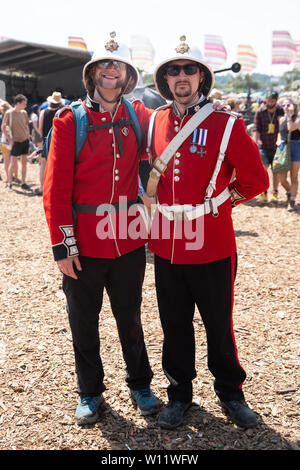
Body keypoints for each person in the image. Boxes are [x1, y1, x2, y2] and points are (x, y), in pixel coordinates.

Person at [145, 36, 269, 430]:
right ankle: (179, 394)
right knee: (173, 325)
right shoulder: (156, 121)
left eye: (189, 69)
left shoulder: (225, 121)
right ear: (165, 80)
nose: (181, 76)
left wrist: (218, 204)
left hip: (213, 244)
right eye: (173, 70)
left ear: (202, 76)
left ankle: (231, 394)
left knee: (219, 325)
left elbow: (257, 179)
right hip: (166, 245)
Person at [43, 33, 159, 426]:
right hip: (85, 241)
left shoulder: (140, 114)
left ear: (127, 75)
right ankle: (90, 392)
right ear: (92, 73)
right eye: (104, 64)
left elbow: (170, 128)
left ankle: (140, 384)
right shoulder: (68, 120)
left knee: (130, 316)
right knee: (83, 319)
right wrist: (64, 246)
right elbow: (55, 190)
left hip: (128, 237)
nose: (111, 69)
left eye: (119, 64)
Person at [254, 91, 284, 202]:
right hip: (264, 144)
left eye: (272, 101)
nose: (270, 102)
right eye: (268, 100)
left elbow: (281, 127)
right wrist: (255, 143)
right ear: (265, 99)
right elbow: (257, 129)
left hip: (276, 145)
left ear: (276, 101)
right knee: (264, 170)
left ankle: (275, 192)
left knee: (275, 171)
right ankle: (264, 192)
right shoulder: (260, 112)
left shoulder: (280, 111)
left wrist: (279, 139)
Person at [1, 94, 30, 191]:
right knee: (12, 163)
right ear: (18, 103)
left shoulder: (24, 113)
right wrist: (10, 139)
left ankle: (23, 182)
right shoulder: (9, 113)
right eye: (24, 104)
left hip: (24, 141)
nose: (25, 106)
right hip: (15, 141)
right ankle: (9, 184)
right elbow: (3, 128)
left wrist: (28, 136)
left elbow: (26, 125)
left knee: (24, 163)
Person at [277, 98, 300, 210]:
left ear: (294, 105)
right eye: (283, 105)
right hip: (283, 146)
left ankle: (292, 201)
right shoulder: (281, 119)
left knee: (294, 176)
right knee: (282, 178)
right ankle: (290, 192)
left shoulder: (297, 118)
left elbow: (291, 128)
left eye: (288, 104)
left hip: (295, 146)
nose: (285, 107)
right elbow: (280, 132)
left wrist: (290, 115)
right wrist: (278, 142)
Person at [0, 100, 18, 183]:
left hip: (4, 140)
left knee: (6, 160)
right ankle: (15, 176)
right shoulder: (12, 115)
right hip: (13, 139)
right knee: (14, 159)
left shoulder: (2, 117)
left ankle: (8, 177)